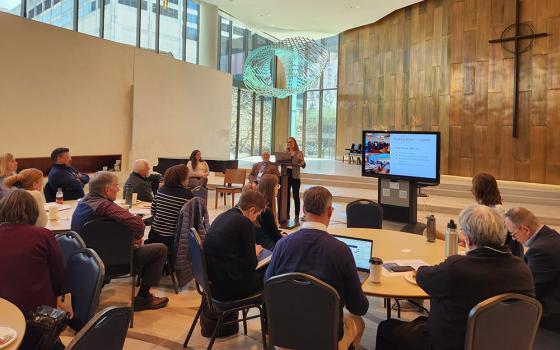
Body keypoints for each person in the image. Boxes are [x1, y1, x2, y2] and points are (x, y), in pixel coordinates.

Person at [376, 205, 535, 350]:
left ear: (468, 239)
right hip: (504, 342)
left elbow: (424, 277)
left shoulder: (456, 268)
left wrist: (420, 270)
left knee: (387, 328)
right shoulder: (523, 270)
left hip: (452, 342)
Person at [265, 186, 369, 350]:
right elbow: (359, 307)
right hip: (326, 339)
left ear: (304, 209)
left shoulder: (282, 245)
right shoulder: (340, 251)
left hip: (285, 336)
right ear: (330, 211)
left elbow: (269, 287)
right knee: (358, 322)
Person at [70, 172, 169, 311]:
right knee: (160, 249)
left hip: (88, 259)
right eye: (116, 186)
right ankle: (143, 298)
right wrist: (135, 238)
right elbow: (138, 224)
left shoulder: (84, 203)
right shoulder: (104, 205)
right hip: (112, 261)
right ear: (106, 189)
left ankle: (94, 290)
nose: (118, 189)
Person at [0, 189, 64, 315]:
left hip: (4, 309)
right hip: (38, 311)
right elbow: (58, 274)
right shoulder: (43, 235)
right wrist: (59, 295)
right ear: (33, 211)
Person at [204, 190, 266, 301]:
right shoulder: (245, 223)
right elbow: (251, 265)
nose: (256, 219)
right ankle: (270, 318)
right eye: (258, 214)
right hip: (228, 287)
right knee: (269, 275)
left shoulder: (224, 215)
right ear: (252, 210)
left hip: (211, 284)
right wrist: (254, 253)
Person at [505, 207, 560, 332]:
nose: (513, 239)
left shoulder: (541, 250)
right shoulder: (551, 235)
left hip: (551, 314)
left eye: (513, 234)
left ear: (525, 230)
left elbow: (528, 290)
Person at [471, 172, 524, 257]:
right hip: (484, 250)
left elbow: (497, 241)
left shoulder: (497, 210)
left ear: (480, 190)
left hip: (494, 254)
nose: (472, 191)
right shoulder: (482, 207)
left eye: (474, 187)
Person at [146, 164, 193, 250]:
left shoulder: (161, 190)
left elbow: (153, 211)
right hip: (172, 239)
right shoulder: (188, 195)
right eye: (187, 178)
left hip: (154, 235)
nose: (188, 180)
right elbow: (189, 220)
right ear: (182, 179)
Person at [255, 174, 283, 250]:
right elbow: (275, 236)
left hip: (259, 242)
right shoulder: (266, 210)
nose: (278, 188)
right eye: (277, 186)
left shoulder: (256, 203)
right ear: (272, 189)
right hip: (265, 246)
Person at [285, 137, 305, 223]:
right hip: (286, 176)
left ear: (294, 142)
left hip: (295, 176)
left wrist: (302, 162)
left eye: (291, 142)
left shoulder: (299, 153)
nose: (289, 143)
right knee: (286, 196)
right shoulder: (285, 152)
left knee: (296, 196)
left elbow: (303, 165)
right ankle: (286, 214)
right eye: (288, 142)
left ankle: (297, 215)